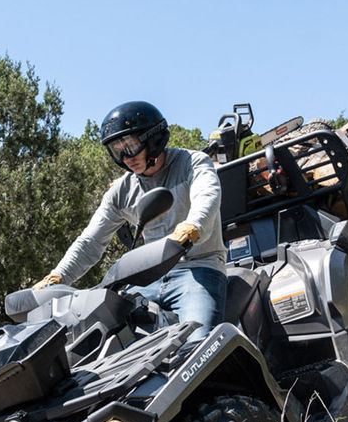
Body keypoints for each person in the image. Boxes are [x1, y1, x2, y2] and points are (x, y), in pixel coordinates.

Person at [33, 101, 226, 344]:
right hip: (149, 277)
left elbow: (207, 197)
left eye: (131, 146)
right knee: (102, 340)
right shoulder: (122, 190)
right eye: (117, 150)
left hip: (197, 269)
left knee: (198, 345)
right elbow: (91, 241)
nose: (126, 158)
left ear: (153, 139)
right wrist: (57, 277)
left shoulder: (192, 163)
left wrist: (191, 228)